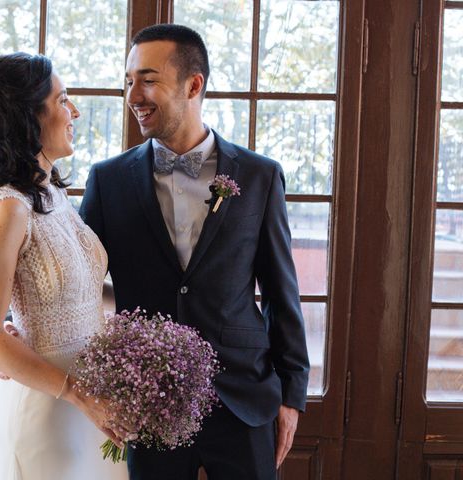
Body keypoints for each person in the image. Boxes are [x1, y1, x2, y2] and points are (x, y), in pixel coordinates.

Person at [79, 24, 309, 480]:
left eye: (148, 79)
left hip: (243, 398)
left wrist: (291, 396)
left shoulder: (261, 176)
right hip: (148, 406)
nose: (134, 95)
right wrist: (20, 321)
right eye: (128, 81)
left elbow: (283, 293)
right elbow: (76, 273)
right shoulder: (108, 180)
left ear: (193, 85)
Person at [0, 52, 128, 480]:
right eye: (63, 99)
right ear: (27, 118)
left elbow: (81, 293)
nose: (75, 111)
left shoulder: (52, 196)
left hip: (92, 406)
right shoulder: (9, 208)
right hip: (49, 408)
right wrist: (79, 395)